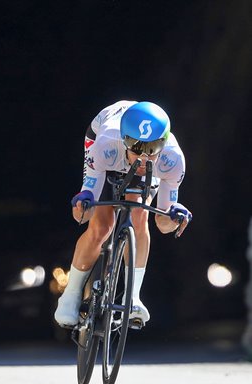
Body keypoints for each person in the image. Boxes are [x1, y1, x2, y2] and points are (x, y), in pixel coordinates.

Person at [55, 100, 192, 328]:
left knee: (140, 217)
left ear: (163, 144)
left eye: (151, 150)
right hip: (107, 152)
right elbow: (81, 213)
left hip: (141, 168)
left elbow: (163, 223)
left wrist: (174, 216)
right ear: (124, 140)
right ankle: (70, 295)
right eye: (136, 148)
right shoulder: (106, 144)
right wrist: (83, 203)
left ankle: (133, 298)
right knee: (100, 227)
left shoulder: (172, 160)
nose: (143, 158)